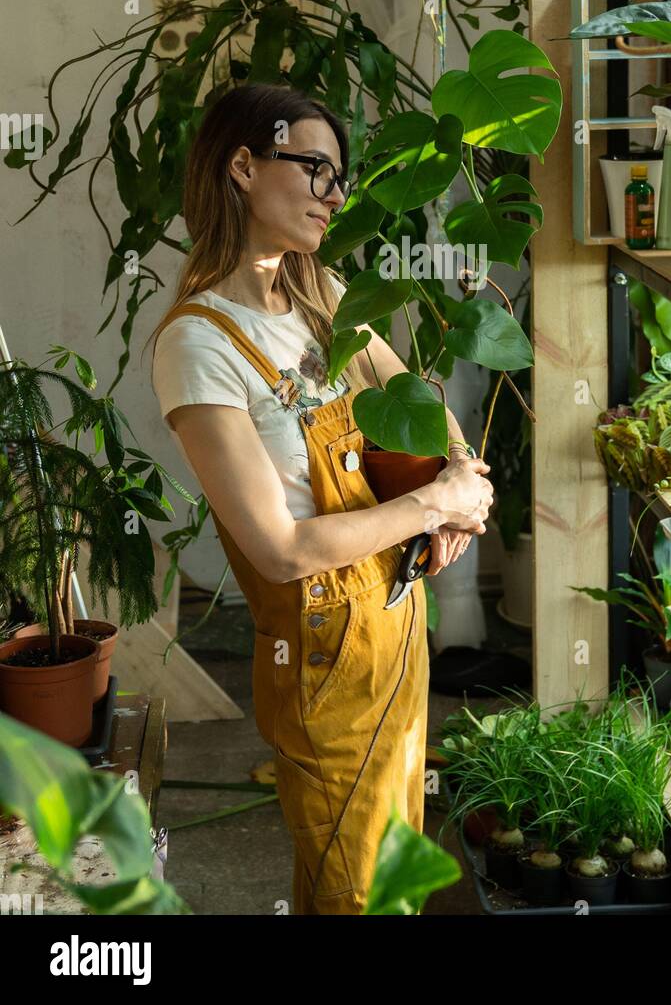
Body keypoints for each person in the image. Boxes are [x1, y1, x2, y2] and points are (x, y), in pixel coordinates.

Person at [148, 83, 493, 914]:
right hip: (323, 646)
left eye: (340, 176)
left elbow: (414, 397)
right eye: (315, 169)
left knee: (384, 873)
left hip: (395, 616)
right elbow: (281, 549)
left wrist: (459, 477)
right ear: (241, 165)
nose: (335, 195)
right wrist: (429, 507)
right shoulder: (198, 343)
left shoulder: (321, 296)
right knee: (357, 891)